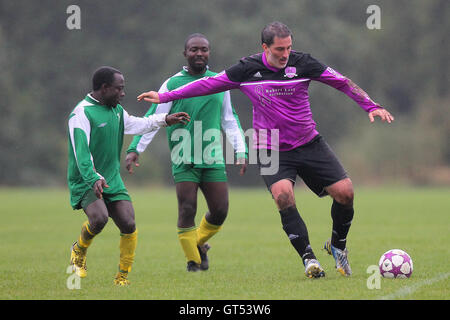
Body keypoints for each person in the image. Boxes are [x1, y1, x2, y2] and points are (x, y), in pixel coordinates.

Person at [136, 22, 395, 279]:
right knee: (283, 196)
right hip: (269, 146)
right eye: (279, 49)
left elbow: (341, 82)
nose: (285, 54)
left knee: (346, 193)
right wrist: (166, 97)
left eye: (289, 48)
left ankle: (337, 245)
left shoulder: (303, 63)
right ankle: (309, 259)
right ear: (265, 47)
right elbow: (208, 83)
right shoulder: (247, 69)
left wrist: (370, 106)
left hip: (308, 141)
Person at [126, 34, 248, 272]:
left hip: (212, 156)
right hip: (183, 156)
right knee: (187, 209)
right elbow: (154, 118)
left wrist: (241, 150)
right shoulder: (171, 84)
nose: (199, 53)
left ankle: (198, 244)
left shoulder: (220, 82)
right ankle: (194, 261)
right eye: (194, 50)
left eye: (204, 49)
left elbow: (229, 119)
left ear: (209, 53)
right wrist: (135, 149)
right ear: (185, 54)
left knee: (220, 210)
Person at [67, 66, 189, 285]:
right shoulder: (81, 113)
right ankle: (79, 250)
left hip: (111, 178)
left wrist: (165, 119)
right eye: (119, 89)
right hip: (86, 179)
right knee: (99, 218)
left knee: (128, 223)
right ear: (104, 88)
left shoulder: (116, 110)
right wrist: (93, 177)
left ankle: (121, 279)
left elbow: (137, 124)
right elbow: (81, 154)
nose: (123, 94)